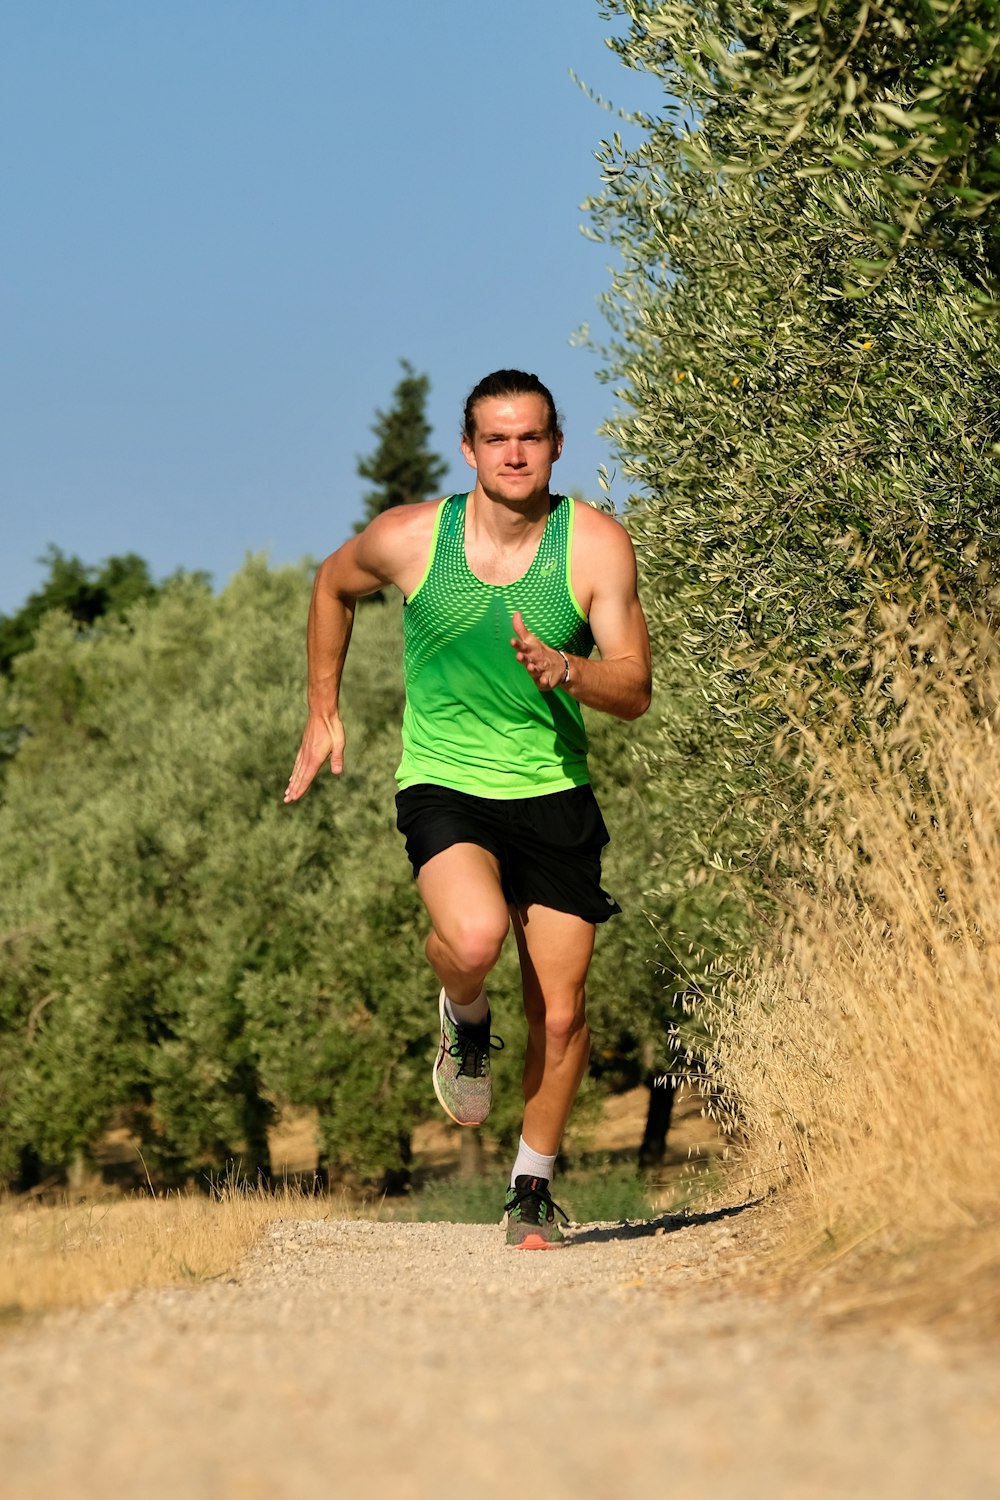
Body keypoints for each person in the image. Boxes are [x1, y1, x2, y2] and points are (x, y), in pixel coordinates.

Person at [284, 369, 651, 1248]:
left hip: (555, 792)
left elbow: (634, 688)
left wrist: (571, 669)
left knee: (561, 1013)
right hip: (446, 783)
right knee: (477, 938)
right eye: (497, 438)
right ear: (470, 450)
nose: (515, 452)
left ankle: (531, 1186)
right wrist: (322, 707)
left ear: (557, 445)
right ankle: (465, 1011)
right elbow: (333, 587)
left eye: (531, 437)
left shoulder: (595, 548)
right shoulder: (414, 538)